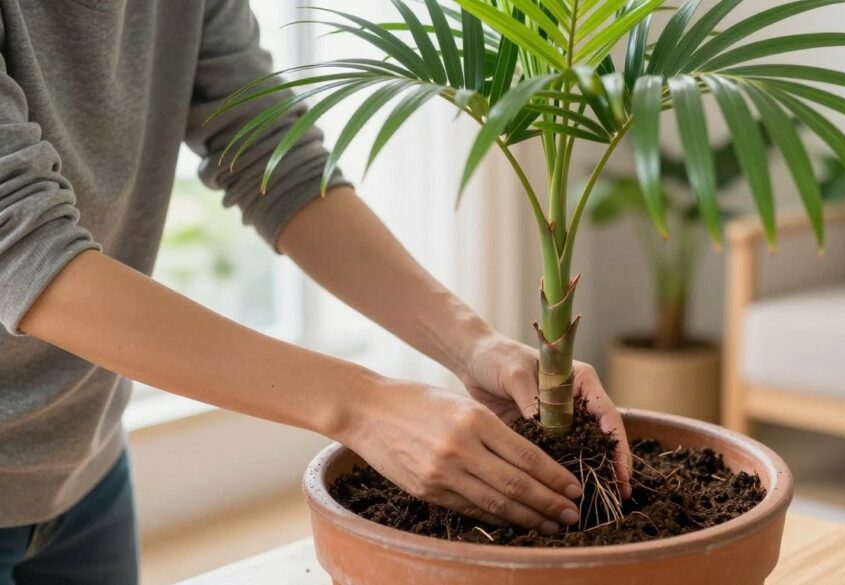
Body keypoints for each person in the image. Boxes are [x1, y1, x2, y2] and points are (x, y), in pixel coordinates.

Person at [0, 1, 632, 584]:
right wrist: (365, 406)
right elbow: (23, 249)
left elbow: (276, 162)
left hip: (84, 465)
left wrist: (474, 345)